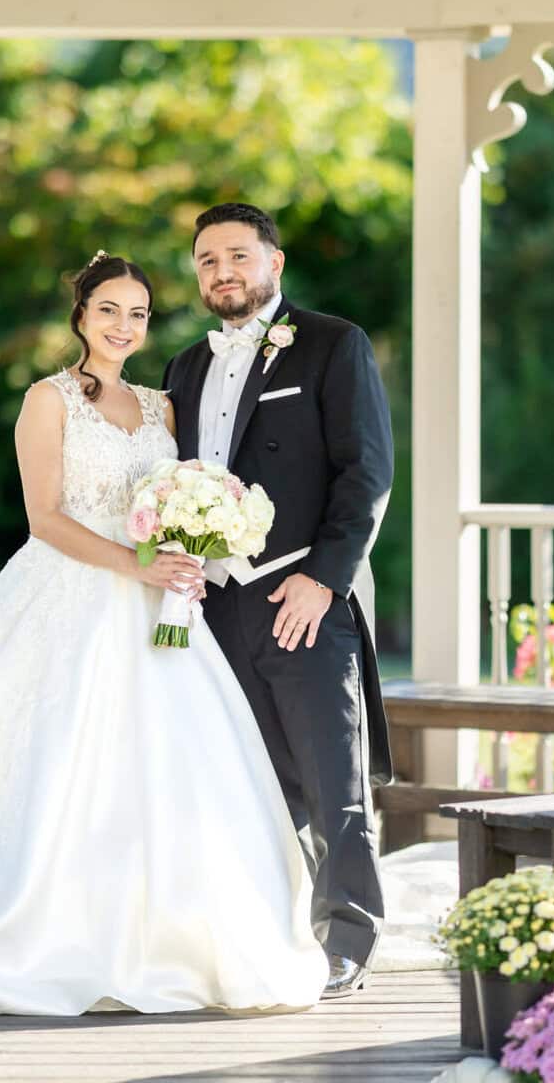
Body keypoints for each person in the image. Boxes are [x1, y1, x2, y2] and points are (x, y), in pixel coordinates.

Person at [0, 251, 327, 1015]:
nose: (124, 325)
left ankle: (176, 937)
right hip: (69, 590)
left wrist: (193, 542)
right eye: (109, 309)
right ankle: (33, 931)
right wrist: (133, 565)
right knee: (53, 753)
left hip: (160, 610)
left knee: (172, 762)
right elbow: (44, 519)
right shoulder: (46, 401)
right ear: (81, 316)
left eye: (139, 313)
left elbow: (179, 493)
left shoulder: (160, 408)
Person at [162, 203, 395, 995]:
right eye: (206, 260)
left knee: (333, 780)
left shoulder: (335, 343)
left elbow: (367, 473)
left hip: (302, 596)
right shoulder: (184, 366)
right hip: (215, 608)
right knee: (248, 782)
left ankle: (348, 938)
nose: (222, 272)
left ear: (275, 262)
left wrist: (325, 579)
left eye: (237, 255)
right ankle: (272, 931)